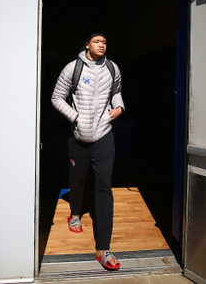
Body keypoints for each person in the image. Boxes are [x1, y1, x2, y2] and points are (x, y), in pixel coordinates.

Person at [51, 33, 125, 270]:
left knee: (104, 187)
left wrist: (120, 106)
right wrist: (75, 117)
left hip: (104, 136)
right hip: (79, 137)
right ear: (86, 44)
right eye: (97, 41)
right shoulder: (72, 68)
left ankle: (103, 248)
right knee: (78, 179)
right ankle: (74, 213)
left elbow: (116, 91)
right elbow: (57, 97)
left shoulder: (113, 68)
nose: (102, 45)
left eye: (104, 41)